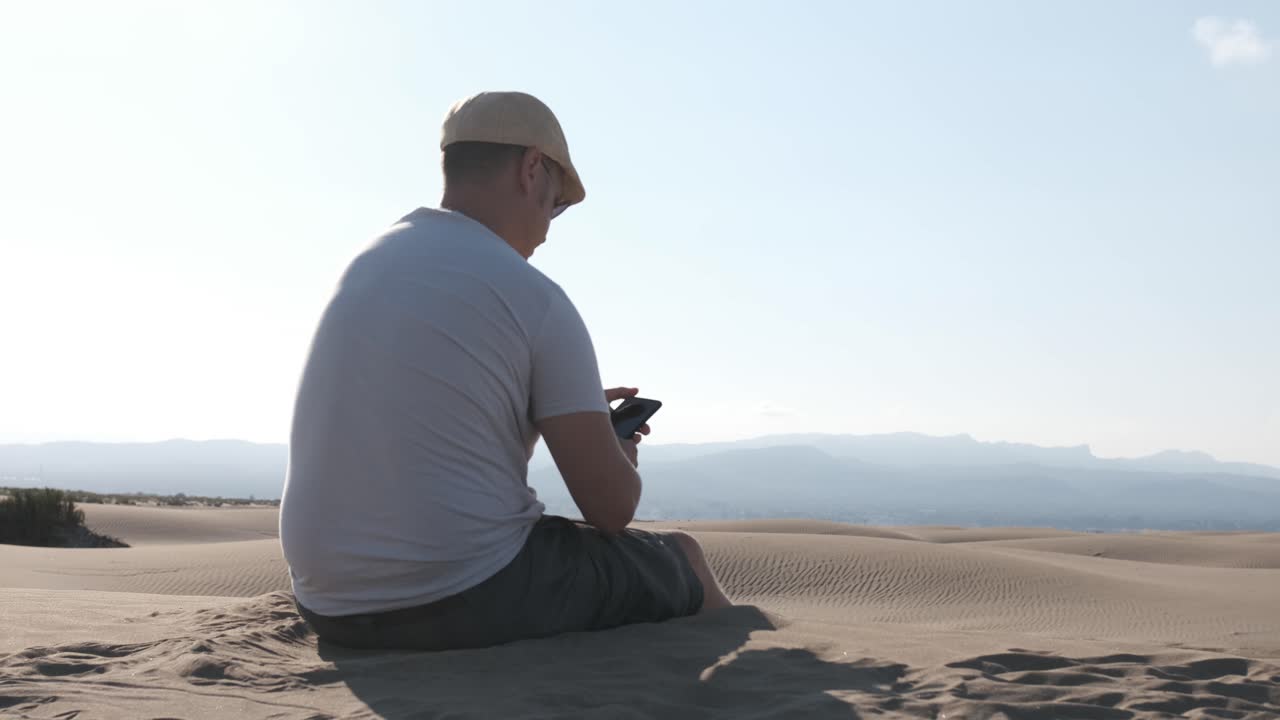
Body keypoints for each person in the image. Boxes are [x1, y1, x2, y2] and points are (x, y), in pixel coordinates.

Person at [280, 91, 732, 651]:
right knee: (681, 557)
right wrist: (615, 452)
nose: (550, 223)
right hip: (462, 594)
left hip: (327, 603)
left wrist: (541, 411)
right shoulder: (533, 297)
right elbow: (612, 510)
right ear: (532, 168)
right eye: (557, 203)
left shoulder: (367, 262)